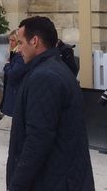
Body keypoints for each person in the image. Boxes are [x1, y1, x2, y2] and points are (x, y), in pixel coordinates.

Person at [6, 16, 94, 190]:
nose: (18, 48)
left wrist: (16, 185)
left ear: (35, 41)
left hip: (53, 181)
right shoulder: (55, 69)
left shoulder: (44, 77)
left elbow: (38, 139)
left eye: (21, 42)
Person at [0, 30, 27, 122]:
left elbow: (13, 73)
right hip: (13, 89)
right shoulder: (13, 54)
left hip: (16, 90)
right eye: (9, 40)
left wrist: (7, 65)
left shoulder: (19, 55)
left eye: (13, 40)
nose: (10, 43)